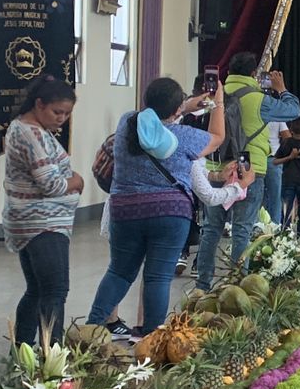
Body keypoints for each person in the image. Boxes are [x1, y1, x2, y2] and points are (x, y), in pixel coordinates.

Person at [89, 78, 224, 338]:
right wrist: (217, 102)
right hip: (169, 213)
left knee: (118, 272)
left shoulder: (127, 123)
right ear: (175, 111)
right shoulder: (183, 136)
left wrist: (180, 107)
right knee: (158, 277)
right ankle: (150, 338)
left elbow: (152, 118)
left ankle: (91, 330)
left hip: (125, 210)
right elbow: (217, 138)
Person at [196, 53, 300, 290]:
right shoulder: (257, 99)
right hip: (249, 170)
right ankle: (235, 285)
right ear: (254, 74)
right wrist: (281, 89)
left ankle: (202, 284)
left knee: (211, 229)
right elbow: (293, 111)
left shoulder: (216, 94)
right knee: (242, 228)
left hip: (216, 169)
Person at [3, 77, 82, 349]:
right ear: (39, 104)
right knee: (55, 290)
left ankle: (23, 349)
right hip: (42, 224)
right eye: (56, 112)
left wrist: (68, 178)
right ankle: (52, 358)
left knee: (37, 290)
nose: (62, 118)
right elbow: (53, 183)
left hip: (36, 221)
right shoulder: (29, 133)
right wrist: (76, 182)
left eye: (67, 113)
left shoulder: (35, 129)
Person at [275, 117, 300, 235]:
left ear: (291, 130)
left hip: (287, 180)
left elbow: (275, 161)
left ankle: (285, 234)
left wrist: (288, 158)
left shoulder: (286, 143)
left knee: (286, 208)